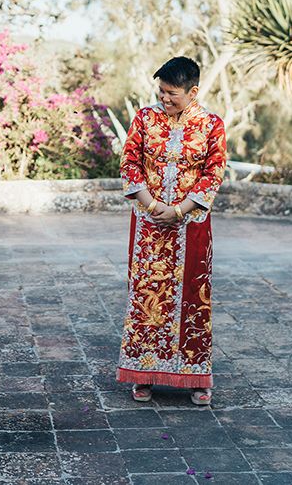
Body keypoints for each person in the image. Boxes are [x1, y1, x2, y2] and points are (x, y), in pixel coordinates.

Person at [117, 56, 226, 406]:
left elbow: (214, 173)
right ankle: (144, 374)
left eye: (172, 94)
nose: (164, 99)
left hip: (191, 226)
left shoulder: (212, 125)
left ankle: (196, 378)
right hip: (149, 227)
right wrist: (152, 207)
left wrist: (179, 210)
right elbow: (130, 163)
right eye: (161, 92)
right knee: (146, 296)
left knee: (194, 296)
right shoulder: (144, 119)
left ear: (192, 92)